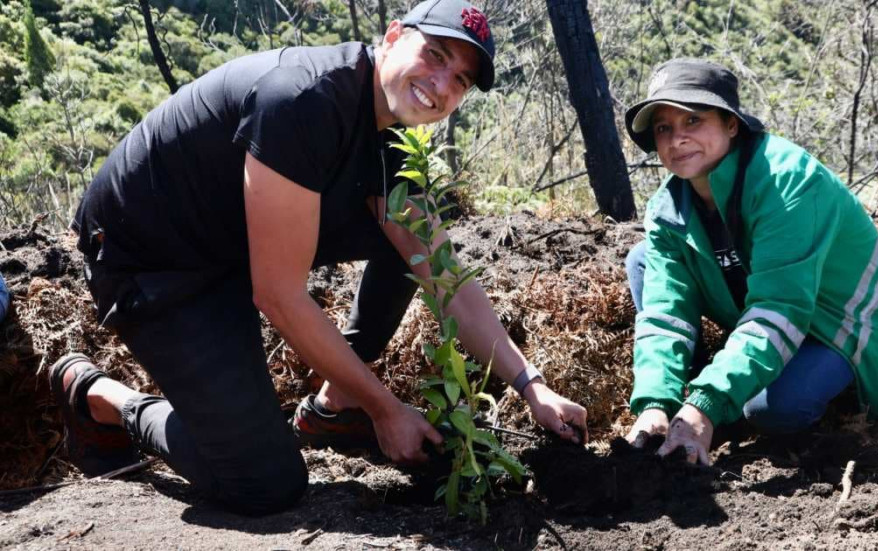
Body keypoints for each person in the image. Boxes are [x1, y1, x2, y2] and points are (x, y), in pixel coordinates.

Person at [51, 0, 586, 516]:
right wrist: (386, 409)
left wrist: (531, 385)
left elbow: (443, 276)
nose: (442, 85)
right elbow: (278, 295)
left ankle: (334, 406)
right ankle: (98, 395)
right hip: (150, 256)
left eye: (461, 80)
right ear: (394, 36)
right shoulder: (303, 100)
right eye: (437, 56)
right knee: (264, 484)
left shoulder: (394, 136)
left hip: (229, 242)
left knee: (405, 236)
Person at [621, 58, 878, 465]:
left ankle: (728, 403)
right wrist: (655, 404)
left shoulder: (788, 182)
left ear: (732, 124)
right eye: (664, 128)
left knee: (771, 410)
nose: (677, 139)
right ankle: (710, 400)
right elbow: (664, 312)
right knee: (643, 261)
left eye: (693, 120)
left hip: (841, 321)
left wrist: (707, 403)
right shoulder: (668, 209)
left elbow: (780, 308)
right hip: (772, 306)